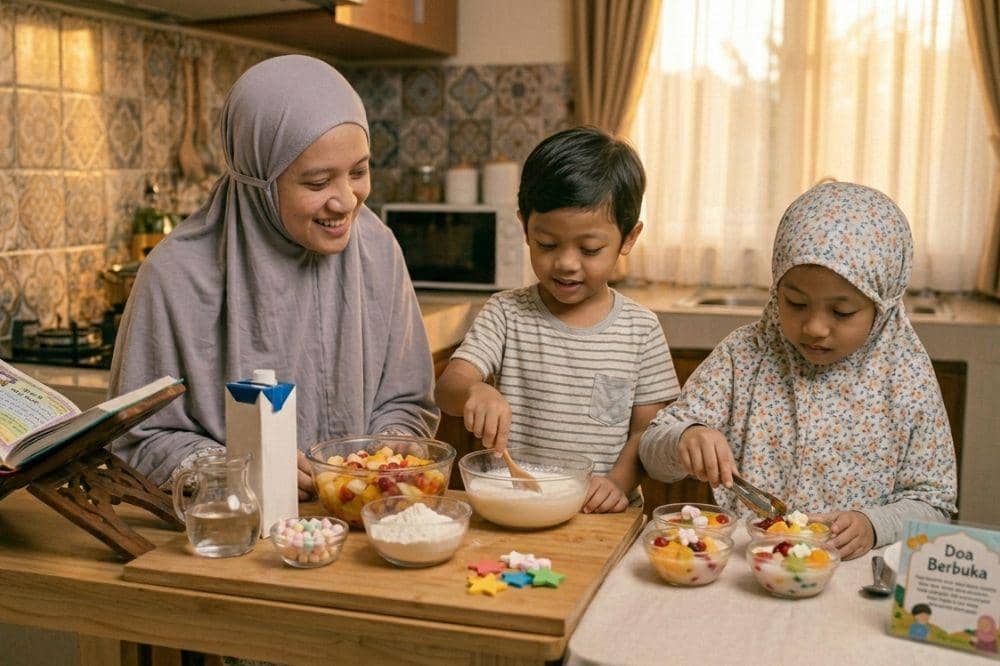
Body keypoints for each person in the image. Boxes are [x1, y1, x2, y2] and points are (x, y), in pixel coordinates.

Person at [109, 55, 439, 498]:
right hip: (232, 536)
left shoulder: (378, 248)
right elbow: (139, 440)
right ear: (259, 180)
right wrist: (241, 473)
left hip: (362, 529)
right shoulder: (174, 275)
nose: (346, 201)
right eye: (318, 182)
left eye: (359, 172)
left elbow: (405, 401)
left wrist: (385, 455)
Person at [638, 181, 957, 560]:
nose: (815, 327)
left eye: (841, 312)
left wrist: (875, 525)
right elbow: (651, 451)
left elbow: (934, 506)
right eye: (795, 303)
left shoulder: (907, 379)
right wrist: (684, 437)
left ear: (882, 306)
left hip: (851, 583)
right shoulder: (744, 357)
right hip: (750, 570)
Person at [434, 127, 680, 513]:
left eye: (590, 249)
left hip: (603, 515)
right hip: (518, 505)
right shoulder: (505, 313)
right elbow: (449, 388)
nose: (565, 263)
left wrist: (618, 482)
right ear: (525, 228)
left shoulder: (640, 330)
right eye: (547, 244)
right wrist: (475, 392)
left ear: (628, 239)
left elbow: (647, 431)